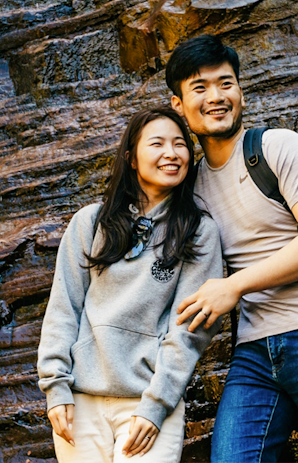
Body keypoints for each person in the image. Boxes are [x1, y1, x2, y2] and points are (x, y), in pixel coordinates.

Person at [166, 35, 298, 463]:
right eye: (200, 88)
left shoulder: (278, 147)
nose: (216, 97)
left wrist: (233, 287)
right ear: (178, 104)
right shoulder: (192, 184)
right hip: (254, 354)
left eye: (225, 83)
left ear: (240, 90)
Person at [37, 106, 223, 463]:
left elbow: (189, 330)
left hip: (147, 405)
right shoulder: (91, 222)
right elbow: (63, 309)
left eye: (180, 144)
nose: (171, 153)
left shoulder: (199, 232)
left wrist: (156, 407)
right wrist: (55, 389)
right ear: (132, 158)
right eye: (157, 144)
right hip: (80, 403)